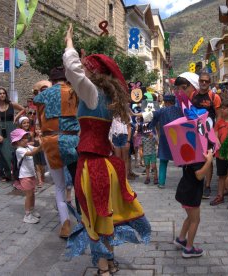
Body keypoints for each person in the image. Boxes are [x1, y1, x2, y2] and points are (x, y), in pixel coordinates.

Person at [63, 24, 150, 275]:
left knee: (94, 217)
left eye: (87, 68)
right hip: (108, 164)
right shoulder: (108, 98)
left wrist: (69, 42)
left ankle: (102, 268)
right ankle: (109, 260)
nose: (83, 73)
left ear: (92, 74)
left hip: (92, 166)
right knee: (106, 215)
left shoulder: (92, 94)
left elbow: (72, 69)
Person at [34, 66, 79, 238]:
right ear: (66, 79)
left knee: (60, 187)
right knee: (78, 184)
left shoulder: (42, 96)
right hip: (72, 141)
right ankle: (85, 221)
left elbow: (39, 119)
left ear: (51, 81)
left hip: (51, 142)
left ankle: (65, 224)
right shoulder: (74, 92)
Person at [174, 150, 213, 258]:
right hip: (191, 193)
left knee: (190, 218)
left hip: (185, 190)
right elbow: (199, 175)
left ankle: (181, 239)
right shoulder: (197, 156)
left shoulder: (190, 150)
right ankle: (189, 248)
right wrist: (209, 161)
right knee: (195, 220)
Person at [189, 72, 221, 199]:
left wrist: (215, 132)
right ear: (199, 81)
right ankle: (198, 181)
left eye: (206, 81)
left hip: (209, 132)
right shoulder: (193, 94)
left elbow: (218, 115)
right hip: (196, 131)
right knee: (196, 157)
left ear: (209, 83)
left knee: (208, 158)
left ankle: (207, 185)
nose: (203, 83)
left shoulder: (214, 97)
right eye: (201, 81)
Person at [142, 94, 183, 188]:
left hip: (165, 138)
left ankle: (161, 183)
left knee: (163, 161)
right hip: (177, 138)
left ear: (166, 102)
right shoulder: (180, 110)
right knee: (182, 161)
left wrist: (149, 125)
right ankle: (185, 182)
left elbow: (152, 117)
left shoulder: (162, 110)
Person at [0, 87, 25, 181]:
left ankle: (14, 174)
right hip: (0, 131)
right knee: (4, 154)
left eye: (3, 93)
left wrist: (16, 117)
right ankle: (10, 175)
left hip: (11, 130)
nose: (2, 95)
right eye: (0, 93)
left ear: (6, 94)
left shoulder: (11, 104)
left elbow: (23, 109)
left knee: (13, 152)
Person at [10, 128, 42, 224]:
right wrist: (42, 145)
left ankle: (32, 210)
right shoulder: (19, 150)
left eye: (26, 137)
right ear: (18, 141)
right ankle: (27, 215)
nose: (26, 139)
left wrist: (41, 141)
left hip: (31, 175)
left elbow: (37, 149)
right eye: (23, 138)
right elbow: (32, 153)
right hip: (24, 176)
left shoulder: (27, 146)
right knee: (28, 195)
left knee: (32, 194)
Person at [210, 99, 228, 207]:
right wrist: (217, 140)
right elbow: (214, 132)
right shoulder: (219, 122)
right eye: (221, 108)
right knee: (221, 175)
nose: (222, 111)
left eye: (224, 109)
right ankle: (220, 196)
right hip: (220, 154)